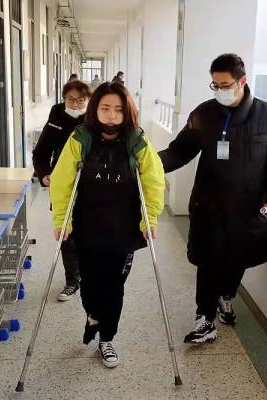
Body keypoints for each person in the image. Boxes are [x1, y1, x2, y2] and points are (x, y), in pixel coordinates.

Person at [158, 53, 267, 344]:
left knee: (237, 258)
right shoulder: (204, 114)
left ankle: (226, 296)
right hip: (210, 202)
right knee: (208, 261)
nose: (220, 90)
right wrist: (149, 165)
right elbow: (180, 150)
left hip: (249, 204)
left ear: (242, 81)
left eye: (225, 85)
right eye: (215, 85)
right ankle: (204, 318)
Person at [50, 82, 165, 367]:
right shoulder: (81, 138)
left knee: (114, 287)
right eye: (105, 108)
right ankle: (94, 315)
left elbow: (153, 181)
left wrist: (149, 217)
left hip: (124, 228)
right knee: (90, 285)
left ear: (128, 112)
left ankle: (107, 339)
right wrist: (61, 219)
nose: (112, 115)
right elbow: (62, 181)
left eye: (119, 109)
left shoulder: (137, 140)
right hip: (87, 226)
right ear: (95, 109)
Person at [32, 80, 91, 302]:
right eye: (70, 100)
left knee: (89, 231)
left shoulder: (95, 117)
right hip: (62, 182)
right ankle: (72, 280)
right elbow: (40, 152)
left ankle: (89, 274)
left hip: (90, 183)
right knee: (66, 230)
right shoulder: (57, 115)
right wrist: (44, 173)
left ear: (88, 100)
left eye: (81, 100)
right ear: (64, 98)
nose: (75, 104)